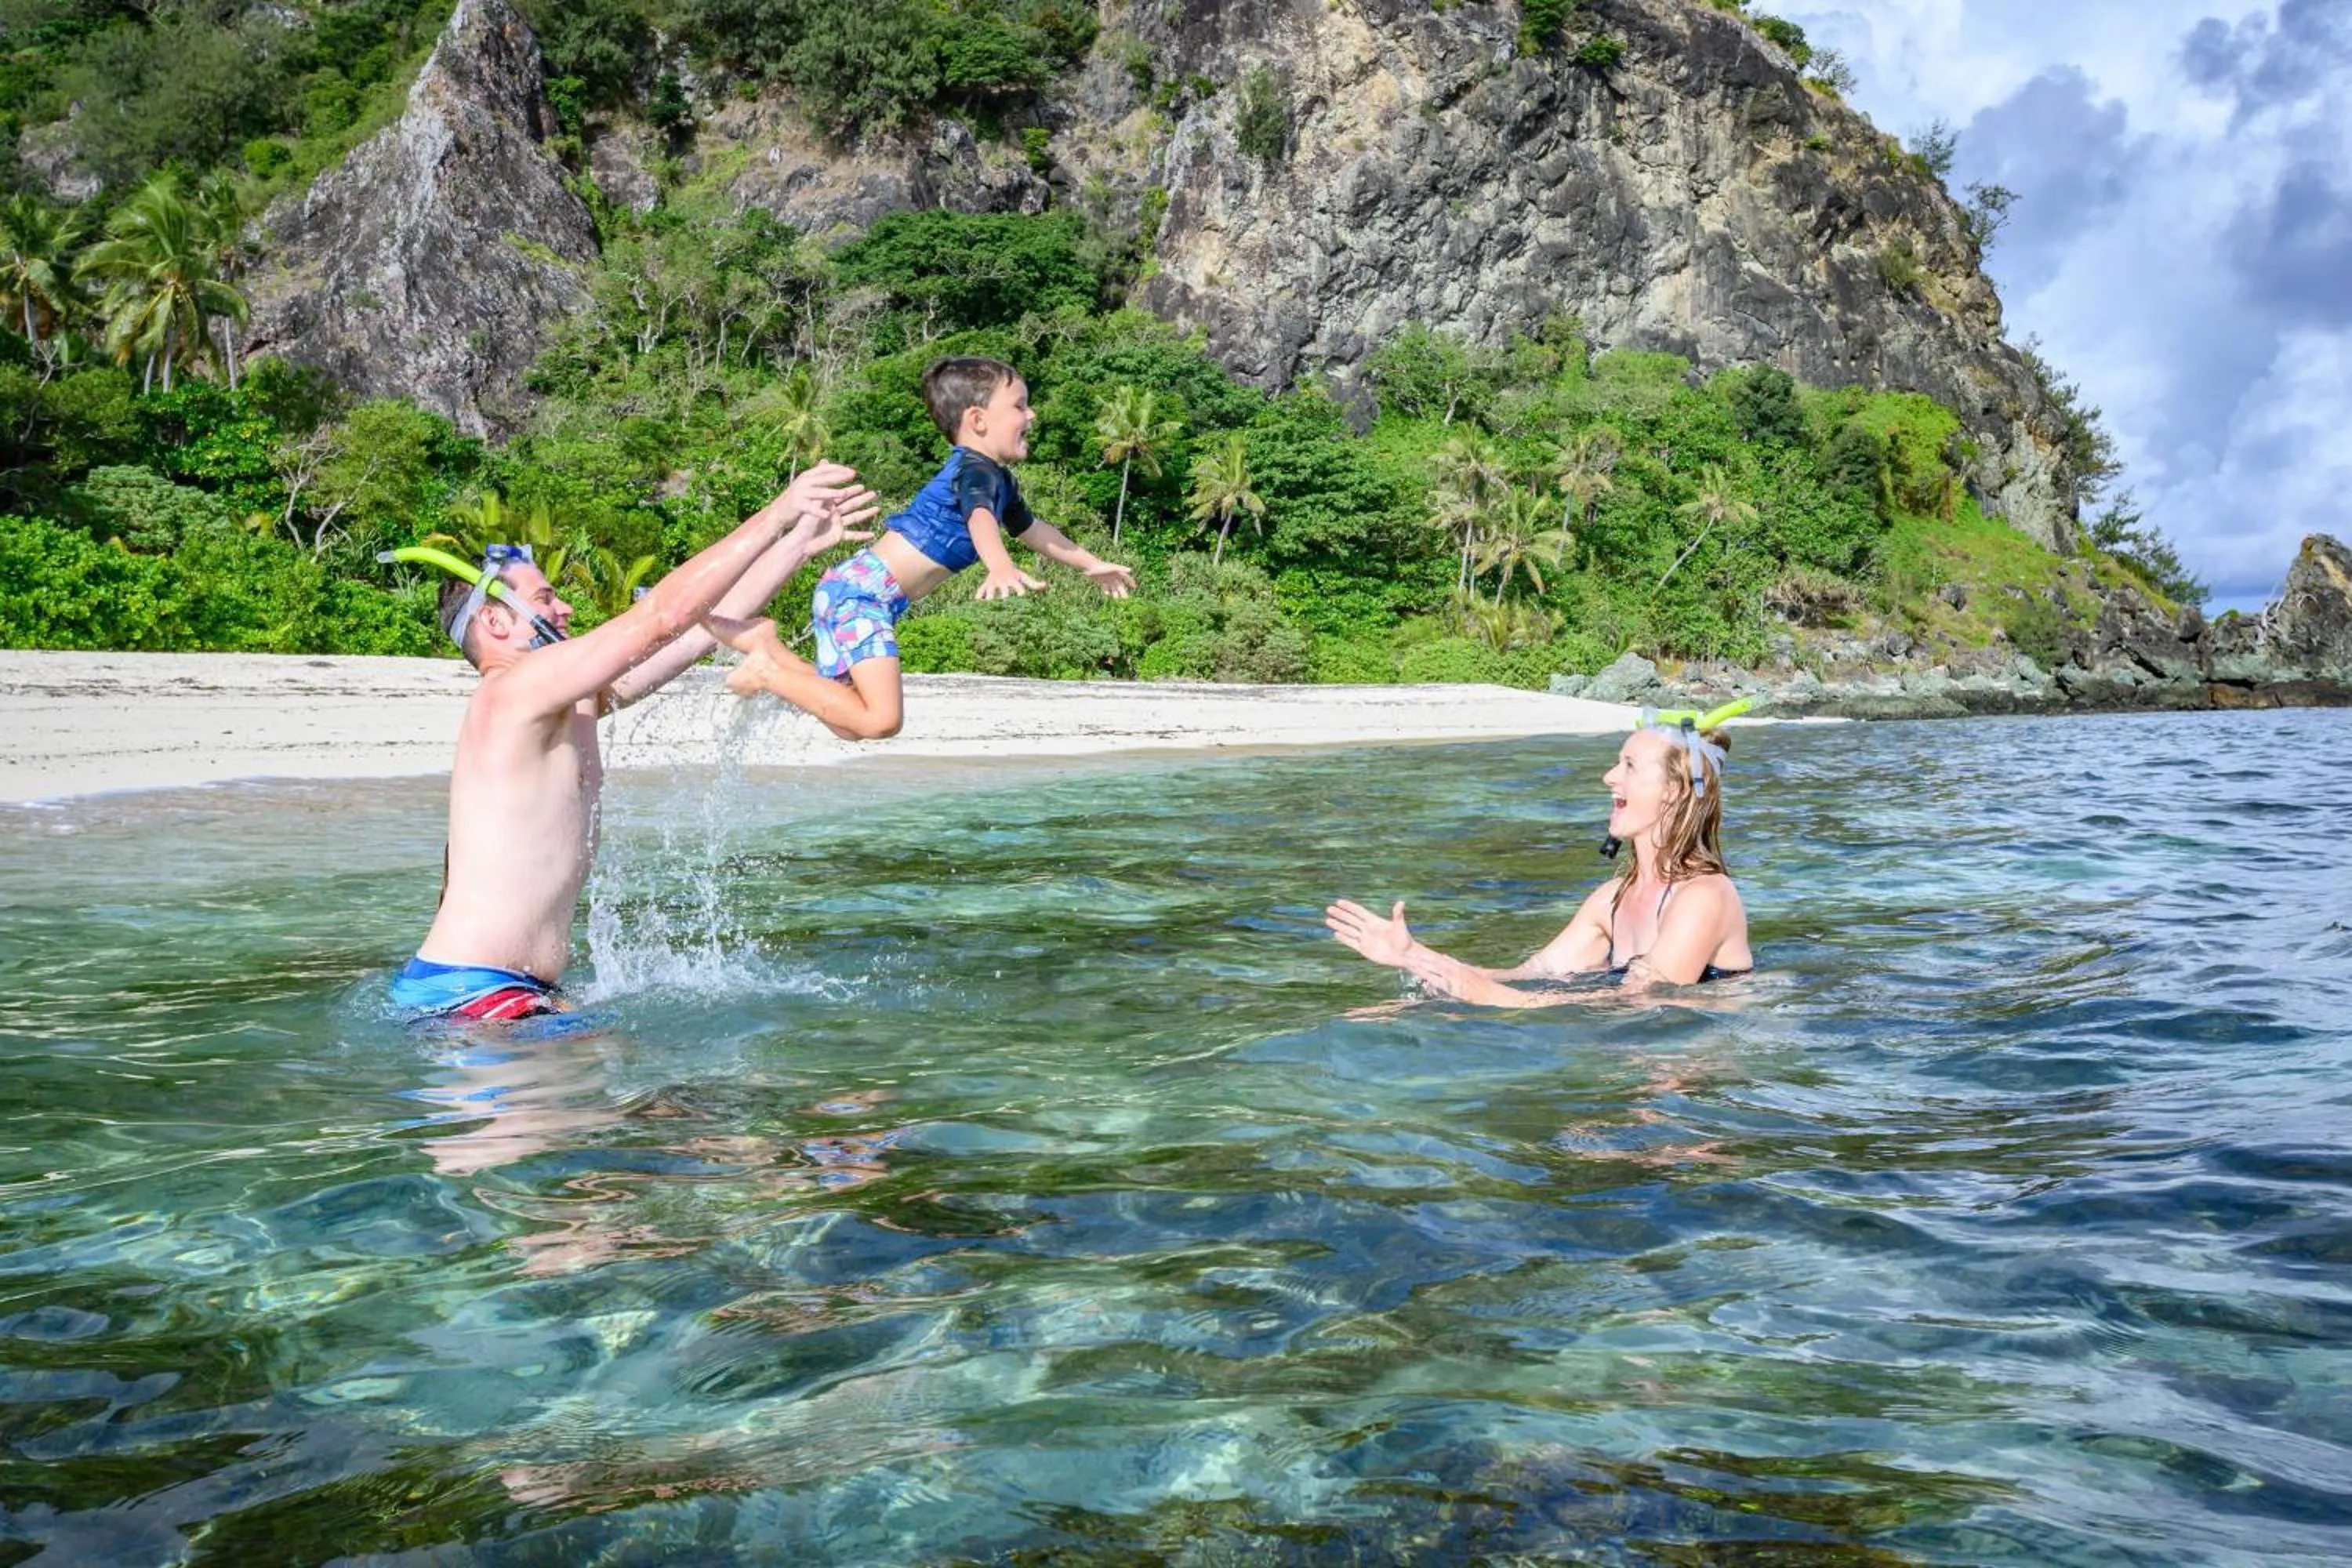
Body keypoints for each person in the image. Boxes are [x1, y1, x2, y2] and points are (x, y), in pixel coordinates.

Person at [387, 463, 880, 1022]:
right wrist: (775, 515)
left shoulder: (570, 701)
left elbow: (698, 631)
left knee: (639, 1074)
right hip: (471, 992)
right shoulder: (511, 690)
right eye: (546, 599)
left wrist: (797, 545)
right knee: (636, 1070)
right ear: (496, 623)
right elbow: (662, 615)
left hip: (503, 991)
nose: (565, 608)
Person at [712, 356, 1137, 740]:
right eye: (1020, 406)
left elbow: (1033, 529)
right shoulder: (974, 471)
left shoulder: (999, 480)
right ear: (978, 419)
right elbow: (979, 517)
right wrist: (999, 566)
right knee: (880, 720)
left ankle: (769, 650)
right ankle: (765, 672)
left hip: (858, 593)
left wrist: (1090, 564)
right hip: (862, 596)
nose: (1031, 414)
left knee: (851, 724)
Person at [1326, 715, 1754, 1003]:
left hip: (1690, 1087)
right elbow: (1535, 972)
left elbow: (1646, 1005)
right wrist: (1413, 955)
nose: (1609, 776)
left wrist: (1492, 998)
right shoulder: (1612, 898)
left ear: (1673, 791)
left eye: (1629, 766)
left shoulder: (1704, 895)